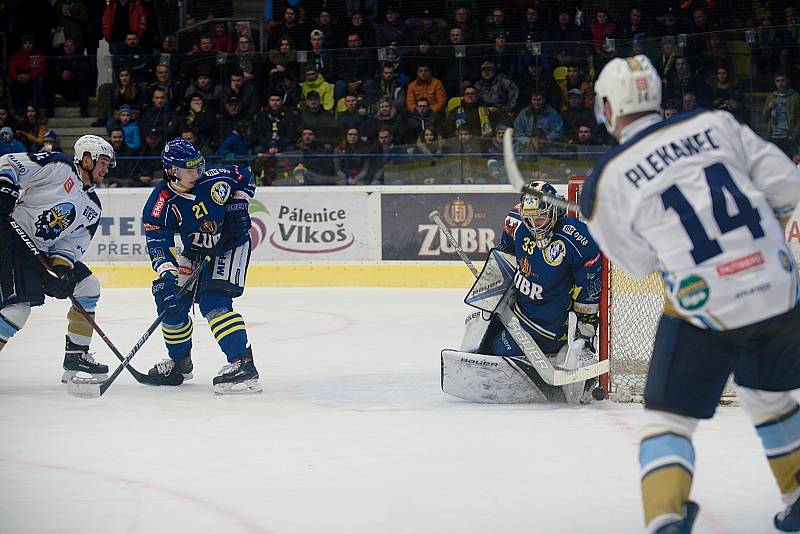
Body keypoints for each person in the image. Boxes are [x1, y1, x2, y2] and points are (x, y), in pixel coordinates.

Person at [583, 54, 800, 533]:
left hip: (709, 305)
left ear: (609, 108)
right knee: (767, 395)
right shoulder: (715, 123)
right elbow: (787, 186)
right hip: (780, 289)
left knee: (668, 421)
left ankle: (665, 519)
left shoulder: (606, 180)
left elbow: (638, 263)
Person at [459, 180, 601, 397]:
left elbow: (589, 284)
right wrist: (493, 286)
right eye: (530, 218)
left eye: (540, 217)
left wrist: (586, 332)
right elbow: (505, 255)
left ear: (553, 211)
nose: (535, 224)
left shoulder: (575, 238)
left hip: (547, 327)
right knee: (477, 333)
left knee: (495, 348)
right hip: (517, 311)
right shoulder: (516, 221)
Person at [141, 138, 261, 394]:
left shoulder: (215, 179)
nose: (196, 173)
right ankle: (179, 362)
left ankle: (243, 364)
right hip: (195, 251)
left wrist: (240, 201)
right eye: (188, 169)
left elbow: (245, 174)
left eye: (198, 166)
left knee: (213, 301)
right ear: (172, 171)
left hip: (230, 245)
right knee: (170, 302)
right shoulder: (160, 203)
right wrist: (166, 274)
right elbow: (158, 243)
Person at [0, 135, 115, 383]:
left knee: (87, 286)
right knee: (16, 311)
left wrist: (61, 270)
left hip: (38, 251)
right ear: (87, 159)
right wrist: (4, 192)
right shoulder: (58, 167)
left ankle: (76, 355)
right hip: (8, 236)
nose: (106, 169)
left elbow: (69, 245)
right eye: (103, 162)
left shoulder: (93, 207)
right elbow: (9, 163)